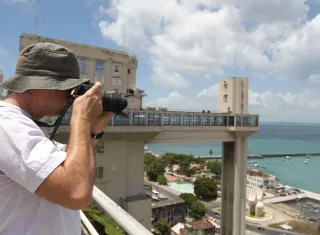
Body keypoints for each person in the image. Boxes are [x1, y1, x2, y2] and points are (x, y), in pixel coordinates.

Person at [0, 42, 113, 235]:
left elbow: (71, 166)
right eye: (68, 90)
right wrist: (81, 119)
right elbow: (76, 192)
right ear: (44, 86)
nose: (71, 99)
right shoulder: (7, 125)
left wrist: (93, 131)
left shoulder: (22, 125)